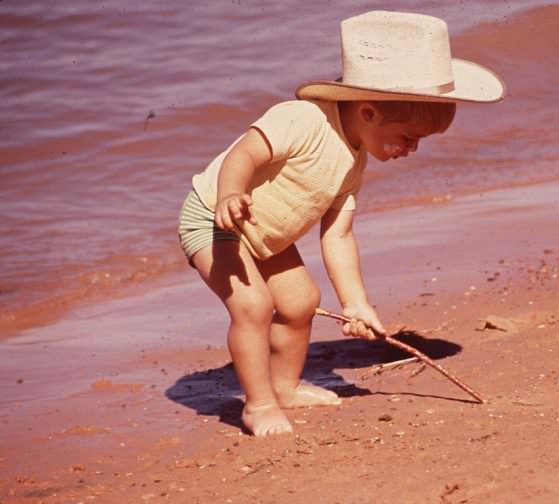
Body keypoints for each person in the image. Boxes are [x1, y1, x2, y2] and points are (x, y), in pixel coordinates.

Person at [178, 10, 504, 437]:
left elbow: (338, 234)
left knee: (301, 302)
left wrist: (355, 303)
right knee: (253, 305)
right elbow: (245, 153)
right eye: (408, 137)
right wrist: (230, 194)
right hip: (215, 217)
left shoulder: (353, 162)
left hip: (266, 235)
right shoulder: (302, 120)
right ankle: (258, 405)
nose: (413, 150)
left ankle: (286, 386)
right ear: (367, 112)